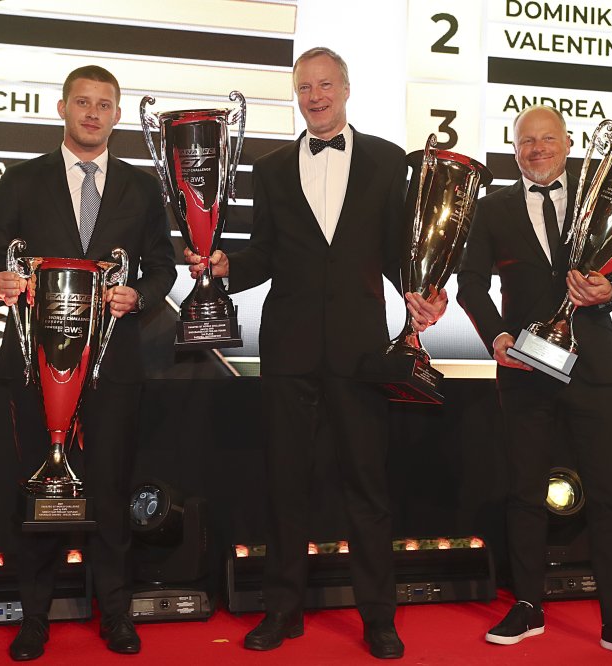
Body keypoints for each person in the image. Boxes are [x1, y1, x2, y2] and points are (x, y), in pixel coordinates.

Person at [185, 46, 445, 660]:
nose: (316, 97)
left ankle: (379, 618)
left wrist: (422, 290)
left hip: (360, 352)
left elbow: (397, 250)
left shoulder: (388, 159)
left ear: (346, 89)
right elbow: (264, 255)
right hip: (289, 349)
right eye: (305, 87)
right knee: (285, 487)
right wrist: (223, 267)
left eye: (326, 85)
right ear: (296, 95)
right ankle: (282, 611)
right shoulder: (271, 168)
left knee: (367, 488)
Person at [0, 65, 177, 661]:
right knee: (39, 488)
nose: (92, 113)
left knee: (110, 492)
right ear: (62, 108)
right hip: (35, 366)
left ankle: (115, 614)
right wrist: (0, 283)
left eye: (104, 104)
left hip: (113, 365)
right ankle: (34, 618)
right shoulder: (22, 180)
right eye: (82, 102)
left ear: (117, 115)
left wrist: (140, 294)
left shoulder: (141, 188)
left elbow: (162, 266)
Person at [456, 105, 612, 663]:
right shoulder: (492, 208)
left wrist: (610, 291)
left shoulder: (598, 200)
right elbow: (470, 284)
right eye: (526, 141)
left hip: (592, 368)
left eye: (547, 139)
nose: (537, 149)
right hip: (524, 369)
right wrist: (497, 336)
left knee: (609, 496)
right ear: (514, 149)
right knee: (524, 493)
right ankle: (527, 607)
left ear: (568, 142)